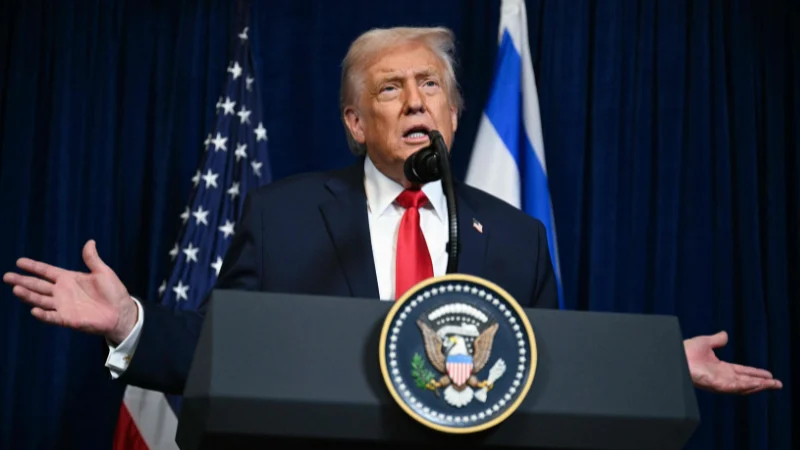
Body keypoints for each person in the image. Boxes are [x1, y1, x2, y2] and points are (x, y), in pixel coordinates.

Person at [3, 27, 781, 397]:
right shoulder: (283, 216)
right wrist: (128, 322)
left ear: (455, 114)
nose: (414, 101)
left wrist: (659, 366)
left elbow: (547, 368)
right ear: (354, 121)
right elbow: (222, 348)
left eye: (430, 86)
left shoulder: (515, 236)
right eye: (389, 88)